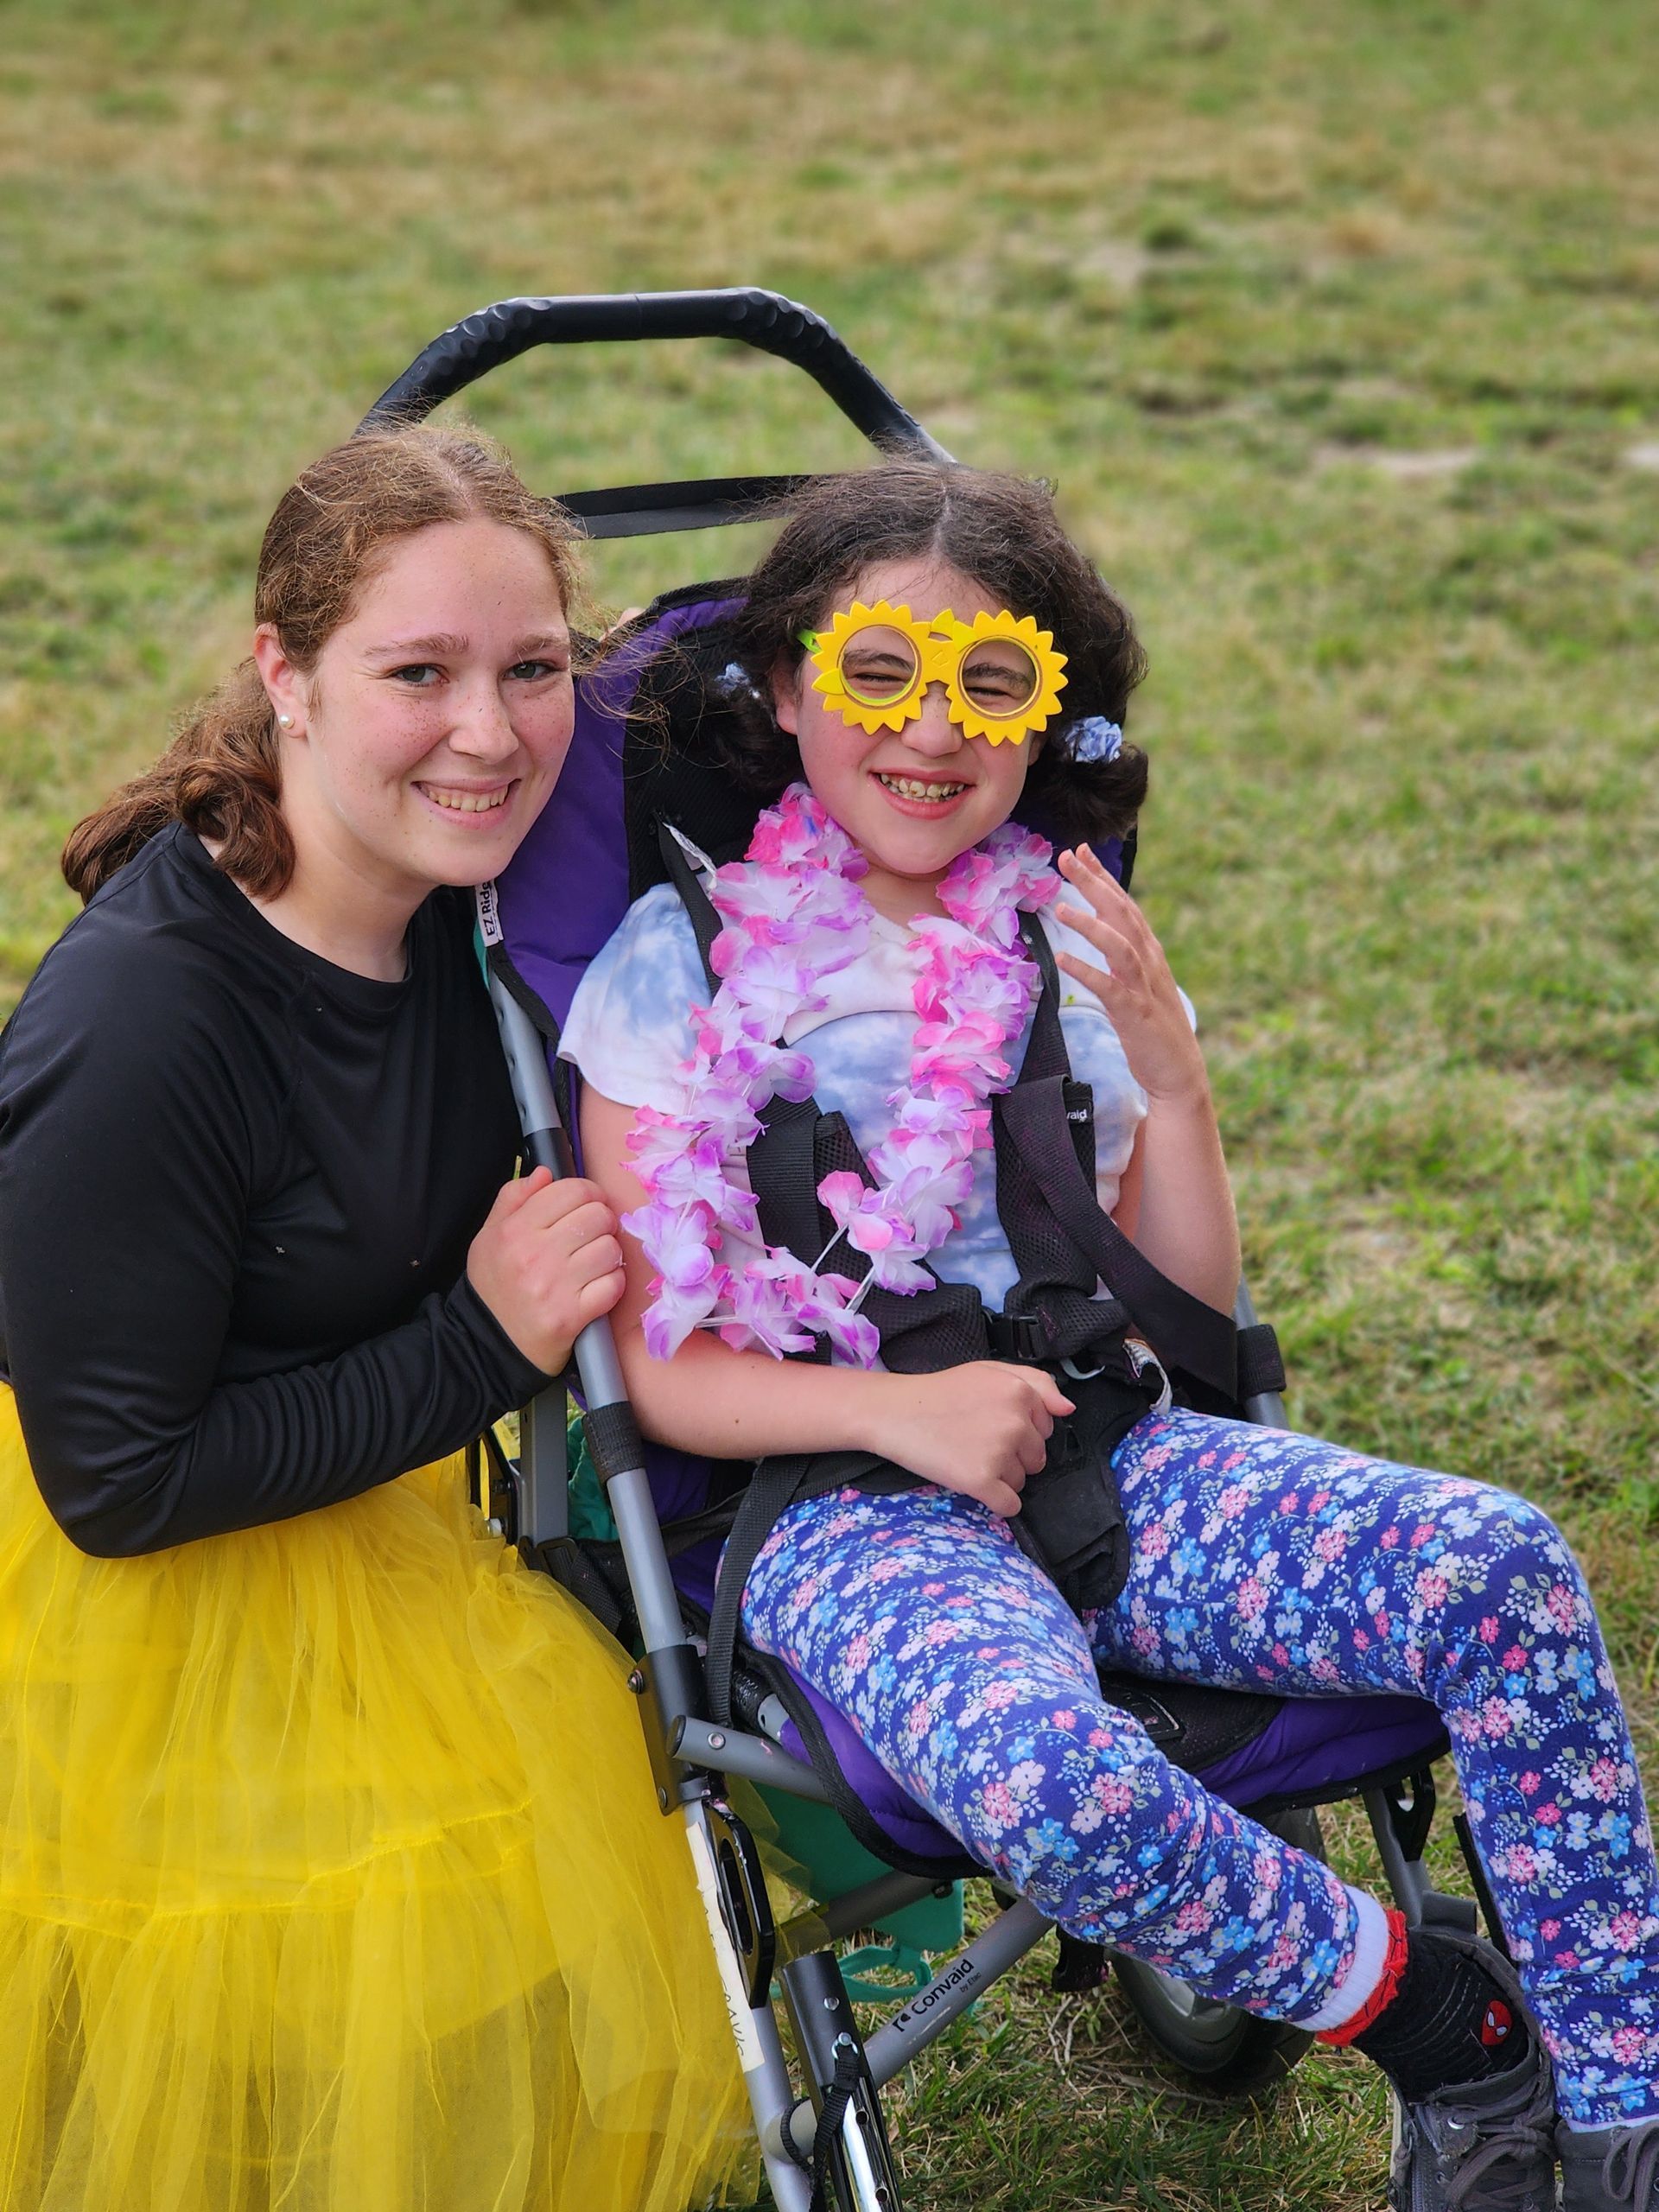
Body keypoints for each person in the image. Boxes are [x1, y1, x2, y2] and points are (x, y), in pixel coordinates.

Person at [562, 461, 1659, 2212]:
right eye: (877, 676)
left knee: (1503, 1564)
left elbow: (1189, 1308)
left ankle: (1618, 2122)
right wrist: (908, 1418)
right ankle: (1442, 2020)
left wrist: (1170, 1068)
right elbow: (669, 1371)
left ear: (1044, 706)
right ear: (782, 692)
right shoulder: (674, 963)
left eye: (987, 680)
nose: (933, 729)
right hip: (852, 1500)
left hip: (1119, 1447)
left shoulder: (1062, 938)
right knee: (1040, 1769)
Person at [0, 426, 750, 2212]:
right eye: (417, 673)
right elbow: (118, 1478)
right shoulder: (146, 1027)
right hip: (145, 1581)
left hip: (379, 1511)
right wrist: (483, 1347)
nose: (490, 734)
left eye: (532, 669)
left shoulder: (486, 920)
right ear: (287, 674)